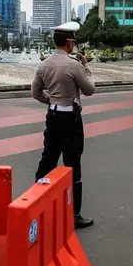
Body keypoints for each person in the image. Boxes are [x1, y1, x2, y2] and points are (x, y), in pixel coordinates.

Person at [31, 21, 96, 229]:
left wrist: (50, 101)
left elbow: (36, 92)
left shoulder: (43, 64)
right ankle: (74, 214)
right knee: (73, 164)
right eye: (73, 42)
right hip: (71, 119)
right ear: (69, 43)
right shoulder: (74, 65)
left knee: (48, 160)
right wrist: (86, 65)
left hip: (53, 116)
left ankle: (35, 205)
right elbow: (89, 90)